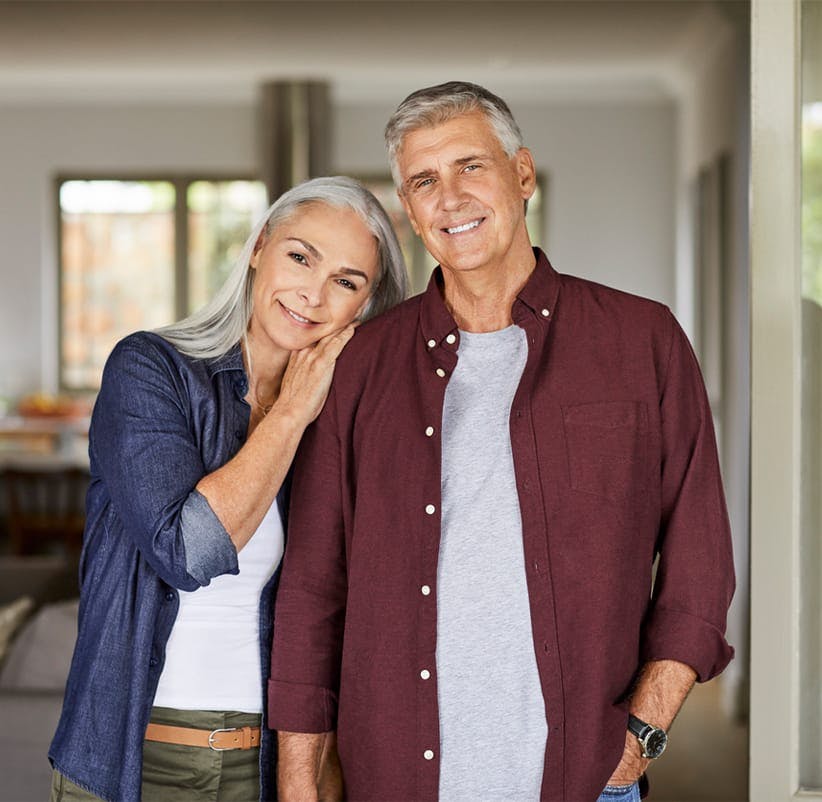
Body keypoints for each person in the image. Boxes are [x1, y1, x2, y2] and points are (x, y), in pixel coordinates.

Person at [268, 82, 735, 802]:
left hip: (584, 779)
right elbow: (312, 585)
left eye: (470, 167)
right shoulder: (359, 363)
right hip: (394, 776)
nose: (449, 197)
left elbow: (700, 557)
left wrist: (643, 730)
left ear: (522, 175)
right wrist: (301, 781)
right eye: (424, 180)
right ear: (409, 211)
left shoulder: (641, 341)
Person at [48, 176, 408, 802]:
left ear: (365, 307)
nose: (313, 294)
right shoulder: (149, 369)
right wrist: (291, 412)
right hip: (130, 761)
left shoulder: (343, 425)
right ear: (259, 247)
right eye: (301, 256)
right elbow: (188, 551)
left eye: (346, 281)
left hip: (266, 766)